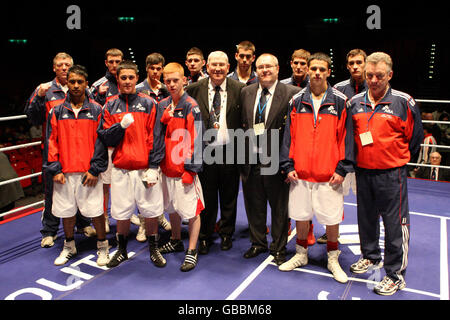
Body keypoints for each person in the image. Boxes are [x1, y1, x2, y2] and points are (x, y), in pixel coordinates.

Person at [348, 52, 424, 295]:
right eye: (369, 75)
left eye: (379, 76)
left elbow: (415, 139)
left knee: (395, 225)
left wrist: (396, 159)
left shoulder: (404, 102)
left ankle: (396, 274)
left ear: (389, 75)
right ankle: (370, 256)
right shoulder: (355, 102)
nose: (373, 80)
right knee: (366, 219)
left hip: (392, 174)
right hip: (364, 172)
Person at [278, 53, 353, 283]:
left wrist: (342, 168)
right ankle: (301, 254)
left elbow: (346, 137)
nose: (317, 73)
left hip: (329, 173)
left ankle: (332, 257)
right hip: (300, 172)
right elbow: (288, 137)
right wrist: (287, 164)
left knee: (331, 219)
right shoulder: (296, 100)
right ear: (308, 71)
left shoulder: (340, 101)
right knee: (301, 216)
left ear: (329, 72)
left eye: (322, 69)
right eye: (314, 69)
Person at [98, 61, 166, 269]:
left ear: (137, 79)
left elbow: (157, 137)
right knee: (121, 212)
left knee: (151, 211)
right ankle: (122, 250)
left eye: (131, 77)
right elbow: (106, 138)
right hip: (121, 169)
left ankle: (154, 249)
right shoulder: (109, 105)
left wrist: (154, 166)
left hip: (145, 169)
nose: (127, 81)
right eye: (123, 78)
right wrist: (121, 126)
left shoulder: (148, 103)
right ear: (117, 80)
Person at [24, 52, 95, 248]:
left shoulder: (81, 88)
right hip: (54, 151)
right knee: (52, 192)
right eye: (60, 65)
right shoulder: (45, 90)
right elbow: (32, 117)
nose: (64, 67)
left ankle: (83, 224)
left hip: (78, 149)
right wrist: (38, 98)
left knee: (81, 188)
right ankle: (49, 231)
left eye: (67, 65)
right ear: (54, 68)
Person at [45, 65, 109, 266]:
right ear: (67, 83)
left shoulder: (97, 110)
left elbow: (102, 142)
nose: (75, 85)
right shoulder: (56, 111)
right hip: (64, 171)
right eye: (71, 81)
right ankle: (69, 245)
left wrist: (95, 169)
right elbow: (51, 140)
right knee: (67, 211)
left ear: (86, 84)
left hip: (88, 171)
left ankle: (103, 246)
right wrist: (55, 168)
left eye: (79, 82)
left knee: (96, 211)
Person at [240, 53, 300, 265]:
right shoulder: (246, 92)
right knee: (254, 205)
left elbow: (296, 132)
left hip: (277, 161)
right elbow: (241, 126)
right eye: (261, 67)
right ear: (256, 70)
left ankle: (279, 247)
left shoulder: (292, 93)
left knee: (279, 208)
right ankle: (258, 243)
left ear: (277, 69)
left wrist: (289, 162)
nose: (265, 70)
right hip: (250, 160)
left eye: (269, 67)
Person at [185, 51, 245, 254]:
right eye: (214, 65)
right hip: (204, 152)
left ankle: (226, 233)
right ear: (207, 67)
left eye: (222, 65)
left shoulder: (241, 89)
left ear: (228, 67)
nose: (218, 68)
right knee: (207, 198)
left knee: (229, 197)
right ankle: (204, 236)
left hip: (230, 151)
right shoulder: (193, 89)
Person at [316, 48, 369, 244]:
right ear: (347, 66)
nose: (355, 66)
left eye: (359, 62)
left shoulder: (373, 85)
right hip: (341, 152)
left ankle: (370, 234)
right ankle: (332, 232)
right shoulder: (337, 89)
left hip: (365, 152)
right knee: (335, 195)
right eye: (352, 63)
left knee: (367, 198)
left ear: (365, 63)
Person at [157, 62, 205, 271]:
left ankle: (192, 250)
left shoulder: (191, 105)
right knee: (172, 208)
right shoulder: (163, 105)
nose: (172, 84)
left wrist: (190, 168)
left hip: (184, 170)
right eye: (168, 81)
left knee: (192, 211)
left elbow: (197, 138)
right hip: (166, 168)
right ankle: (176, 239)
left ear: (184, 80)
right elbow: (157, 137)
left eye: (175, 80)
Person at [135, 52, 172, 241]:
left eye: (159, 69)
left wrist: (165, 89)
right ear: (147, 68)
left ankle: (160, 216)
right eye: (152, 68)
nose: (156, 72)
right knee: (145, 185)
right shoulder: (138, 88)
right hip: (144, 141)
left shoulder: (167, 88)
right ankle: (143, 223)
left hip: (166, 140)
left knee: (162, 184)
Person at [90, 48, 126, 234]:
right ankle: (104, 217)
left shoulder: (128, 81)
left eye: (117, 61)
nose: (114, 65)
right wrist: (98, 96)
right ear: (106, 63)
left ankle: (124, 215)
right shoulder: (98, 85)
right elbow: (89, 112)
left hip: (127, 142)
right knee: (104, 184)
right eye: (111, 61)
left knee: (125, 182)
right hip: (105, 142)